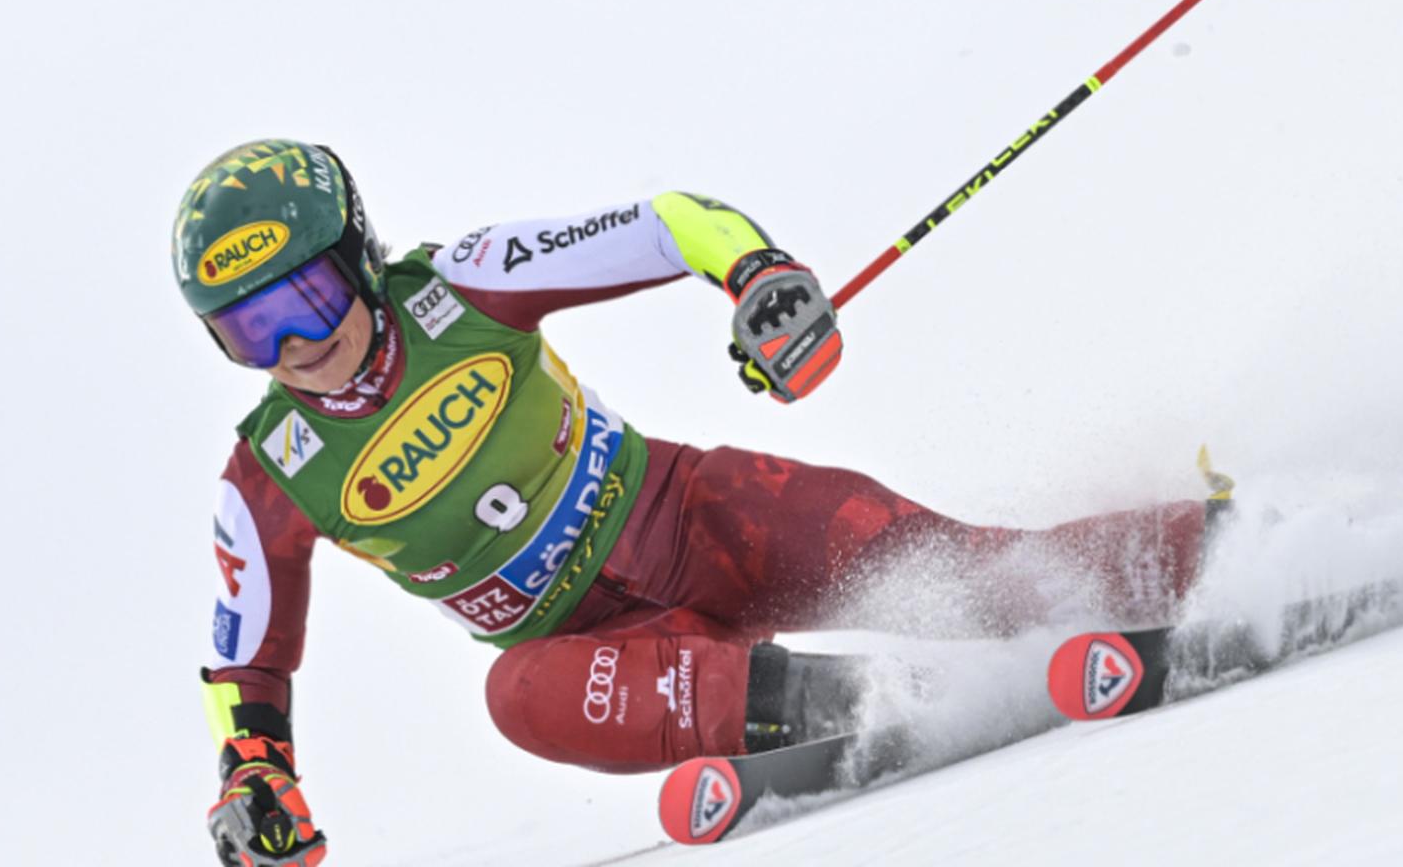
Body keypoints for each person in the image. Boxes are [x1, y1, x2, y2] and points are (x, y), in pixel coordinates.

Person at [179, 139, 1211, 867]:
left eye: (306, 299)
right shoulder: (269, 475)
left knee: (966, 575)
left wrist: (757, 276)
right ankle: (853, 702)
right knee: (515, 698)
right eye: (249, 332)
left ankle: (1214, 547)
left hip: (698, 520)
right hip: (601, 656)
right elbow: (245, 666)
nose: (296, 348)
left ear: (359, 257)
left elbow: (665, 224)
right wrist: (254, 776)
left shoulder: (461, 283)